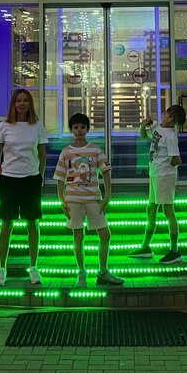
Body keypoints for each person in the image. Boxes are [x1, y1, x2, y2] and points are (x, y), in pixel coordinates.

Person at [53, 113, 125, 288]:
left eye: (82, 127)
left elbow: (106, 172)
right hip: (73, 200)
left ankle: (103, 271)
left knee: (105, 234)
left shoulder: (95, 150)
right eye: (76, 127)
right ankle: (81, 272)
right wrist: (61, 199)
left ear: (87, 129)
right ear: (71, 129)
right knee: (78, 236)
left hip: (93, 198)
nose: (79, 130)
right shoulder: (66, 152)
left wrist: (107, 196)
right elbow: (60, 177)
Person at [0, 89, 47, 286]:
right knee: (6, 224)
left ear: (30, 104)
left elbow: (42, 154)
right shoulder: (4, 126)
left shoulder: (37, 126)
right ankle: (2, 269)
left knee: (32, 224)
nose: (22, 104)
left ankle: (33, 267)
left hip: (31, 179)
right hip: (9, 180)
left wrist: (39, 176)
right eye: (18, 101)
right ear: (13, 104)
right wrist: (0, 176)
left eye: (25, 100)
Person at [129, 104, 186, 264]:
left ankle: (174, 251)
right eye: (169, 115)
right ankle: (146, 247)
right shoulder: (157, 127)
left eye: (173, 118)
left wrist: (166, 164)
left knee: (168, 211)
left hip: (164, 175)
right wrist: (143, 125)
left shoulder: (170, 136)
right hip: (155, 173)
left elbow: (177, 159)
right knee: (151, 209)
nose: (169, 119)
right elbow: (144, 136)